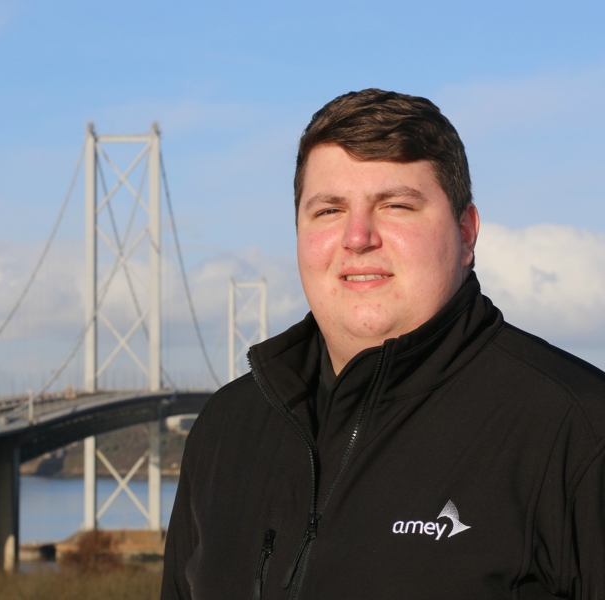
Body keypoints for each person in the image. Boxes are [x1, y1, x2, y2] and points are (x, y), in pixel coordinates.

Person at [161, 89, 605, 599]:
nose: (357, 237)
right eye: (329, 210)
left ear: (466, 233)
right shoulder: (224, 431)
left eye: (395, 205)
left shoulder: (579, 433)